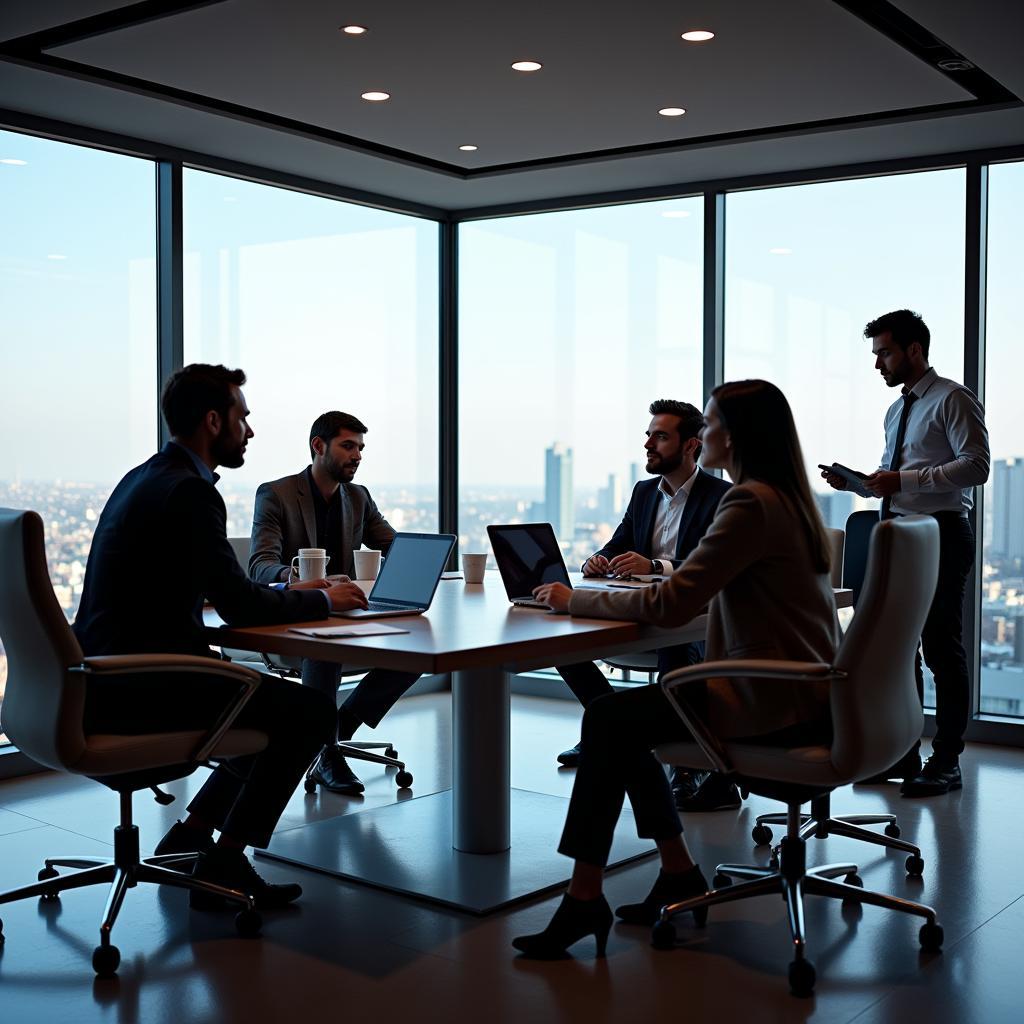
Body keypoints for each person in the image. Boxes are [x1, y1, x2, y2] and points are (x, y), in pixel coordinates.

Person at [512, 380, 840, 959]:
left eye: (709, 425)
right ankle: (677, 869)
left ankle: (585, 897)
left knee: (612, 721)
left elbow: (671, 604)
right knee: (625, 722)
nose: (705, 433)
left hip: (772, 702)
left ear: (728, 437)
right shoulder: (788, 499)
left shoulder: (746, 501)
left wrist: (573, 600)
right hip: (808, 694)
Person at [74, 364, 369, 910]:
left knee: (261, 699)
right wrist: (324, 597)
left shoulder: (143, 477)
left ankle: (192, 834)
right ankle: (227, 860)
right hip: (144, 686)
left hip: (99, 677)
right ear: (214, 421)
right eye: (243, 418)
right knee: (307, 712)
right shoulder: (190, 493)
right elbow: (240, 601)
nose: (250, 432)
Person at [822, 309, 989, 797]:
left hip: (939, 532)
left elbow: (975, 466)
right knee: (897, 651)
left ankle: (947, 760)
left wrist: (904, 480)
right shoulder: (896, 411)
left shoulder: (952, 398)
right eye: (876, 355)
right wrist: (862, 484)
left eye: (885, 353)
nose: (878, 365)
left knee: (940, 645)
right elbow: (892, 479)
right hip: (894, 531)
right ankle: (901, 753)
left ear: (914, 350)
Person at [555, 400, 735, 812]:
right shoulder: (643, 492)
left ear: (691, 445)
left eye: (660, 436)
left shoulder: (722, 496)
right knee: (564, 644)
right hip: (640, 611)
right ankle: (608, 725)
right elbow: (619, 542)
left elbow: (712, 563)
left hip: (688, 621)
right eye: (648, 434)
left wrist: (656, 565)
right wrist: (596, 560)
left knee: (675, 644)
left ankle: (683, 767)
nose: (648, 444)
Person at [248, 411, 420, 795]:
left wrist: (421, 561)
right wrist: (302, 582)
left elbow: (393, 546)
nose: (357, 455)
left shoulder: (358, 497)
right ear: (318, 446)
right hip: (299, 622)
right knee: (327, 649)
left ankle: (333, 730)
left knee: (418, 648)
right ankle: (327, 753)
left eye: (360, 448)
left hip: (348, 616)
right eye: (347, 446)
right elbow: (259, 566)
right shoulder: (276, 494)